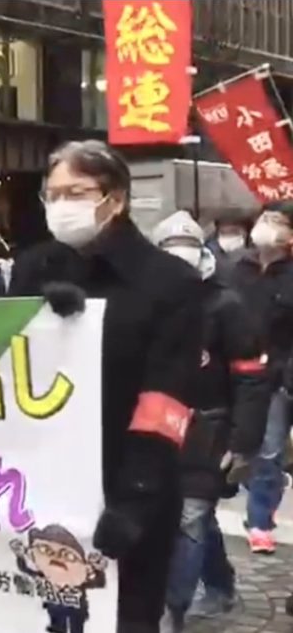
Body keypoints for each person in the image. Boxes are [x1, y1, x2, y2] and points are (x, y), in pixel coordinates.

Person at [9, 140, 205, 632]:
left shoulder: (169, 281)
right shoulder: (34, 268)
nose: (60, 206)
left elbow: (167, 396)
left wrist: (135, 498)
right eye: (51, 194)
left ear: (114, 198)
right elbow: (2, 366)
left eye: (75, 192)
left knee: (124, 618)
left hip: (127, 486)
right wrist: (35, 321)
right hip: (45, 486)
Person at [150, 212, 269, 632]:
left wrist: (243, 441)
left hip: (208, 429)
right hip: (154, 426)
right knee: (193, 518)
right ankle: (220, 583)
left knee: (191, 517)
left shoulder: (226, 304)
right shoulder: (146, 300)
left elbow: (251, 379)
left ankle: (171, 610)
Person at [227, 201, 293, 554]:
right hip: (244, 373)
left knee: (270, 449)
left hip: (282, 374)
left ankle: (260, 516)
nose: (269, 226)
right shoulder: (237, 268)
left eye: (279, 222)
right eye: (266, 219)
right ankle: (260, 520)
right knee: (260, 450)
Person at [205, 212, 251, 279]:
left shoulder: (255, 261)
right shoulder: (208, 256)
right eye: (223, 233)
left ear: (246, 233)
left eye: (234, 232)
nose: (229, 237)